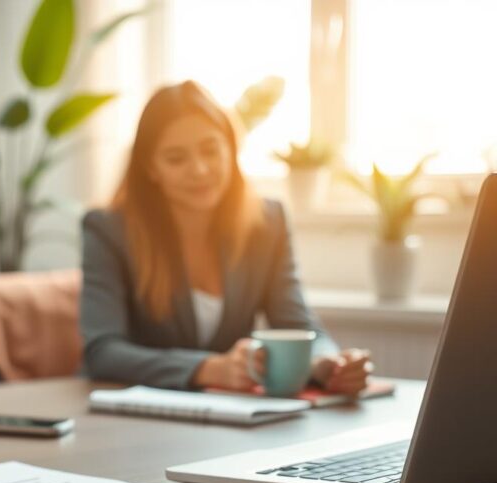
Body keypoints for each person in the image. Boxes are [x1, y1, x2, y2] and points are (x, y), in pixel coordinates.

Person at [80, 80, 371, 394]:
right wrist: (208, 368)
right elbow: (102, 352)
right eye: (176, 158)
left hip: (231, 412)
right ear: (151, 168)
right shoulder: (108, 230)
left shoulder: (267, 223)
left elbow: (298, 324)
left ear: (231, 149)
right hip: (131, 411)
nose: (200, 170)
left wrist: (326, 363)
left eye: (210, 150)